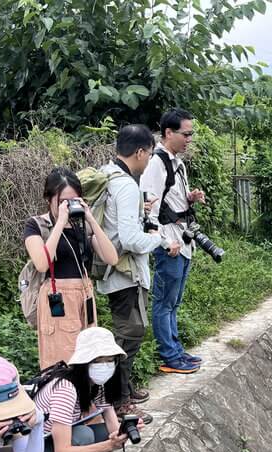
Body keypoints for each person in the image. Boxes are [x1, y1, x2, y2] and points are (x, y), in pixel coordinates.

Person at [95, 123, 176, 423]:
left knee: (127, 334)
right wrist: (160, 240)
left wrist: (141, 212)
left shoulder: (108, 174)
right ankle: (119, 402)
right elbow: (129, 239)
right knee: (129, 336)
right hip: (124, 273)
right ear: (141, 152)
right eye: (149, 154)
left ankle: (124, 390)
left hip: (112, 271)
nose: (149, 160)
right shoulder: (127, 185)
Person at [34, 327, 143, 452]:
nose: (105, 366)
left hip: (48, 446)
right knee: (84, 436)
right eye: (98, 361)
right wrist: (110, 445)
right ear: (84, 363)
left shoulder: (96, 385)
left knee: (100, 433)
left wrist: (124, 430)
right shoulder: (65, 388)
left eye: (110, 360)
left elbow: (110, 426)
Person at [24, 168, 119, 370]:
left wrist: (91, 219)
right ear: (48, 199)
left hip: (84, 294)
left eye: (73, 200)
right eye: (61, 202)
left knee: (90, 357)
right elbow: (42, 263)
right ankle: (63, 400)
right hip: (57, 297)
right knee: (63, 358)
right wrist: (59, 223)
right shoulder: (36, 225)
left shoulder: (82, 226)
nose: (67, 206)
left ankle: (87, 399)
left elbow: (112, 258)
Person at [140, 108, 208, 375]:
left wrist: (189, 197)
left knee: (174, 301)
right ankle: (169, 355)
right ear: (169, 133)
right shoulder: (156, 164)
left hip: (182, 238)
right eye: (186, 133)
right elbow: (150, 210)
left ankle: (176, 351)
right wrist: (163, 242)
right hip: (171, 242)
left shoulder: (176, 162)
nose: (189, 139)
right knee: (165, 301)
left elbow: (170, 198)